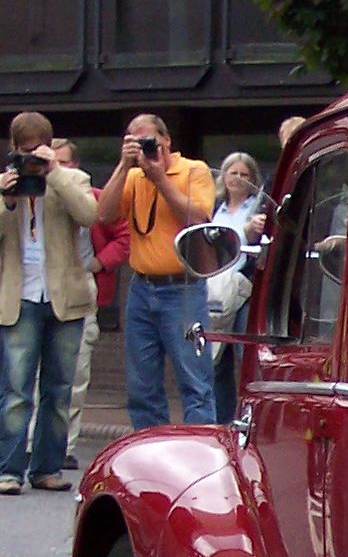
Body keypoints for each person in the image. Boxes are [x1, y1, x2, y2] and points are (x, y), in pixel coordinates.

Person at [0, 112, 99, 496]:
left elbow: (91, 215)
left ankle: (46, 468)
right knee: (15, 391)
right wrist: (6, 200)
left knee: (58, 390)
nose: (31, 162)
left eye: (36, 153)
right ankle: (9, 470)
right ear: (13, 150)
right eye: (25, 154)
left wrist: (53, 172)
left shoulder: (71, 179)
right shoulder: (4, 184)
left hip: (64, 298)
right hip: (18, 296)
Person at [96, 113, 215, 429]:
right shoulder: (133, 177)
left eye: (150, 142)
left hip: (183, 288)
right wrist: (124, 166)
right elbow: (104, 213)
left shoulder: (193, 170)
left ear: (166, 140)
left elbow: (198, 219)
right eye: (137, 143)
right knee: (141, 385)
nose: (146, 149)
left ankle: (198, 452)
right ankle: (150, 454)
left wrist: (160, 178)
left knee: (195, 381)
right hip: (141, 288)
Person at [52, 138, 128, 469]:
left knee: (75, 371)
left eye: (64, 163)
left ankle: (64, 446)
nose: (57, 170)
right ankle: (28, 445)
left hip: (80, 288)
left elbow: (123, 235)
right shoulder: (28, 199)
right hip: (41, 289)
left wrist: (100, 263)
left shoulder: (94, 199)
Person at [208, 151, 266, 425]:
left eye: (244, 174)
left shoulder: (258, 209)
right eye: (233, 173)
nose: (238, 179)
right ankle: (222, 420)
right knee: (217, 359)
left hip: (243, 288)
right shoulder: (213, 206)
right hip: (214, 288)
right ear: (223, 175)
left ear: (253, 179)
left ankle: (247, 418)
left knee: (245, 355)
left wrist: (255, 231)